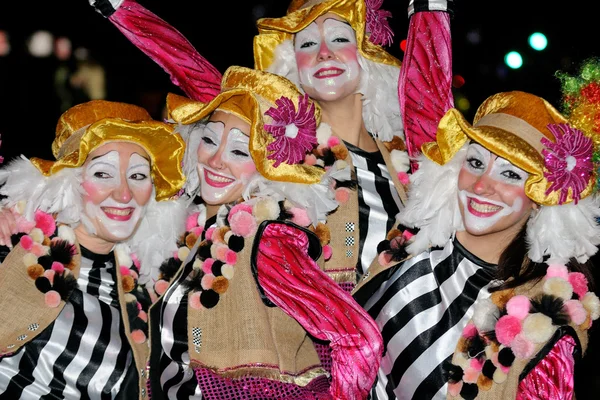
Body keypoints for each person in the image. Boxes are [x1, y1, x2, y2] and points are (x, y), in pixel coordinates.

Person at [86, 0, 457, 282]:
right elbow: (194, 72)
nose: (323, 52)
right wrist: (121, 9)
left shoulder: (404, 153)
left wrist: (430, 10)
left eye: (340, 39)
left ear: (367, 56)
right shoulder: (280, 145)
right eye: (307, 43)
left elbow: (431, 88)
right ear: (290, 65)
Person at [142, 65, 383, 399]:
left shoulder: (267, 240)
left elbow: (360, 339)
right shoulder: (195, 233)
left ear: (268, 168)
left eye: (240, 151)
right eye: (210, 140)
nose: (216, 160)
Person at [352, 89, 600, 399]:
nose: (482, 186)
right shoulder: (414, 237)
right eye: (476, 162)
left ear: (540, 198)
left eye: (509, 173)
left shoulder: (540, 320)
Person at [0, 99, 186, 399]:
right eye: (103, 174)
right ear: (68, 180)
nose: (124, 193)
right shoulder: (14, 247)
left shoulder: (151, 290)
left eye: (138, 176)